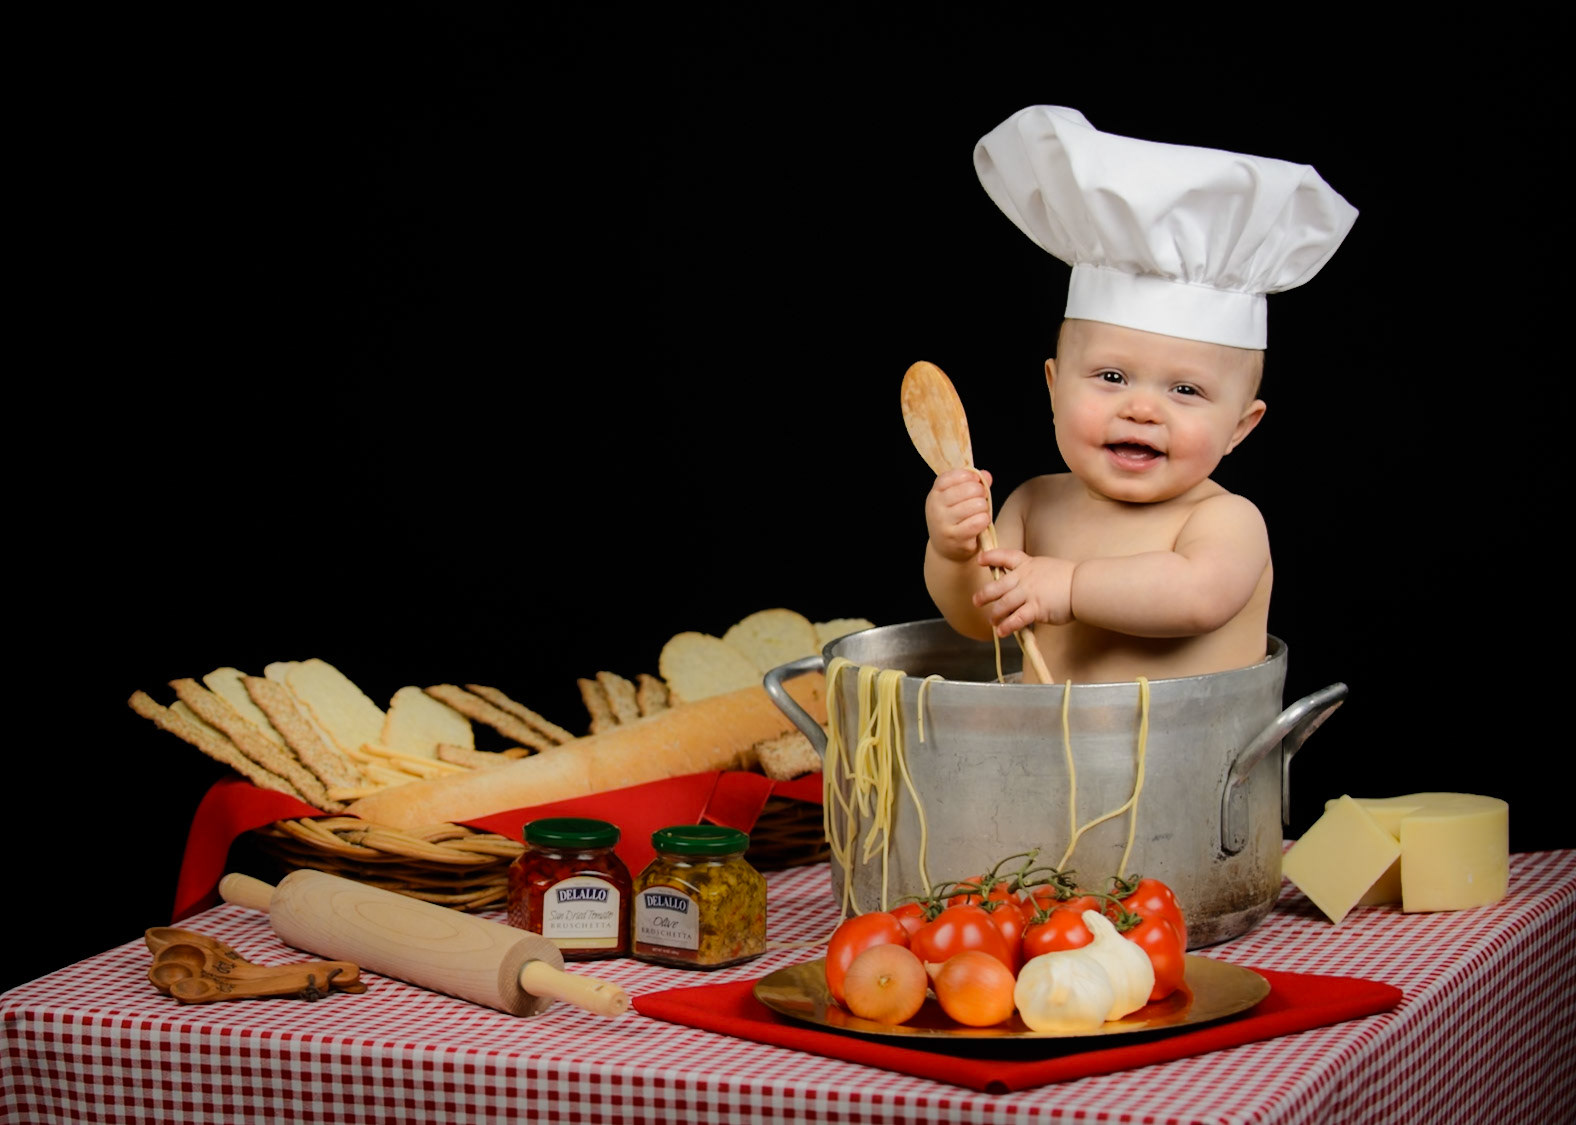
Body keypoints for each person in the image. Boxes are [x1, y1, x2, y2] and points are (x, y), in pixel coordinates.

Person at [923, 107, 1357, 684]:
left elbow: (1197, 596)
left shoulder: (1225, 521)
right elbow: (984, 621)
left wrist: (1072, 586)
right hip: (1040, 764)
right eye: (1111, 377)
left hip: (1195, 765)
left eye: (1185, 389)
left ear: (1240, 428)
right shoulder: (1034, 505)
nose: (1142, 409)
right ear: (1054, 388)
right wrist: (953, 551)